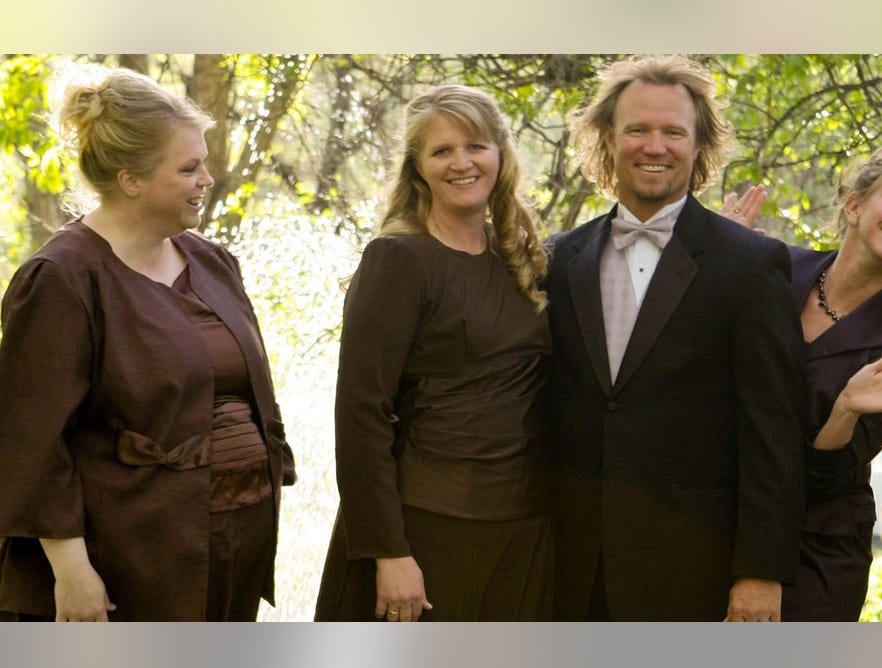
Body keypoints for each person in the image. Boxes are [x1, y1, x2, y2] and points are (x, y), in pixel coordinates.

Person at [0, 66, 296, 621]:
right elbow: (31, 440)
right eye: (188, 168)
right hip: (124, 562)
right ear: (130, 178)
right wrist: (72, 570)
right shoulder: (62, 277)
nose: (207, 178)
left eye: (203, 163)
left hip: (228, 544)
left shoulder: (211, 261)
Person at [543, 54, 805, 621]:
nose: (654, 146)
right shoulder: (559, 259)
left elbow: (774, 433)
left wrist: (761, 570)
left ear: (700, 144)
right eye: (637, 129)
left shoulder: (752, 266)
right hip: (568, 570)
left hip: (693, 571)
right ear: (607, 138)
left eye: (673, 131)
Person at [314, 84, 553, 621]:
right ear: (418, 167)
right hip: (429, 525)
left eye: (475, 146)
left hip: (524, 526)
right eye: (441, 151)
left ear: (500, 154)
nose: (461, 163)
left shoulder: (521, 257)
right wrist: (389, 552)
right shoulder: (398, 258)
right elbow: (360, 413)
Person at [735, 146, 882, 621]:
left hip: (819, 548)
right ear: (854, 206)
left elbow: (825, 479)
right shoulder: (773, 271)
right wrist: (723, 259)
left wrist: (845, 410)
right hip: (731, 522)